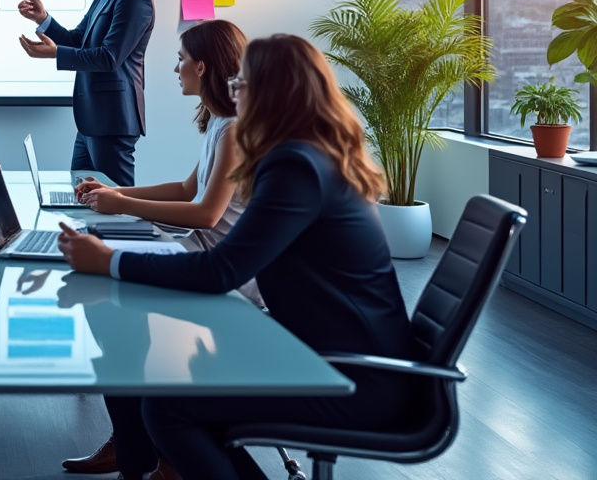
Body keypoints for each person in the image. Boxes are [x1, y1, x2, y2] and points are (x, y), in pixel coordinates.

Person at [57, 34, 418, 480]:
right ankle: (143, 464)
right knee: (172, 389)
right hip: (330, 355)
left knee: (169, 406)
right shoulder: (309, 155)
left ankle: (145, 464)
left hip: (349, 377)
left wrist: (109, 261)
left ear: (272, 90)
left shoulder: (297, 167)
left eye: (241, 83)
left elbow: (222, 269)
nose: (234, 91)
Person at [61, 19, 256, 479]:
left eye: (181, 60)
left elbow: (206, 214)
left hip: (216, 270)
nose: (175, 68)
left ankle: (143, 452)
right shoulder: (219, 122)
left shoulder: (234, 130)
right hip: (191, 252)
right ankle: (140, 445)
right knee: (109, 311)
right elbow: (187, 189)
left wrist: (123, 204)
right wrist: (116, 193)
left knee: (114, 314)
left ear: (202, 67)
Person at [17, 0, 155, 187]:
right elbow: (78, 39)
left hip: (112, 122)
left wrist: (56, 54)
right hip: (92, 122)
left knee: (116, 203)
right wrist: (43, 19)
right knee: (81, 198)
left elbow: (109, 57)